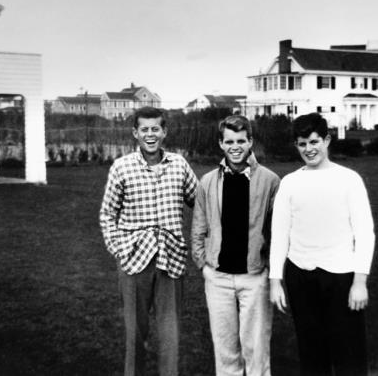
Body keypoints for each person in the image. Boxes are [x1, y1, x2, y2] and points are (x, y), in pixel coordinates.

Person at [269, 113, 375, 376]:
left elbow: (365, 232)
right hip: (300, 276)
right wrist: (275, 281)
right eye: (302, 144)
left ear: (327, 140)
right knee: (311, 351)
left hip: (341, 276)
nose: (309, 149)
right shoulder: (290, 183)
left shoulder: (349, 179)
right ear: (296, 145)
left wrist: (360, 281)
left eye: (314, 141)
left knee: (349, 352)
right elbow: (280, 233)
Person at [99, 106, 198, 376]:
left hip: (171, 260)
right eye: (145, 129)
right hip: (134, 262)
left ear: (164, 131)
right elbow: (107, 213)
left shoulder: (179, 165)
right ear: (135, 133)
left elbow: (200, 204)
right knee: (135, 333)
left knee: (170, 335)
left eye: (156, 129)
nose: (150, 134)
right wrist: (118, 248)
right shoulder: (122, 167)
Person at [192, 114, 280, 376]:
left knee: (256, 349)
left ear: (250, 141)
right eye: (229, 141)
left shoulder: (270, 180)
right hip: (218, 278)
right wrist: (203, 265)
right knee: (226, 351)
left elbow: (277, 232)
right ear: (221, 143)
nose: (235, 147)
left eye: (241, 140)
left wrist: (269, 271)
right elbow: (199, 226)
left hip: (254, 278)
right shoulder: (208, 182)